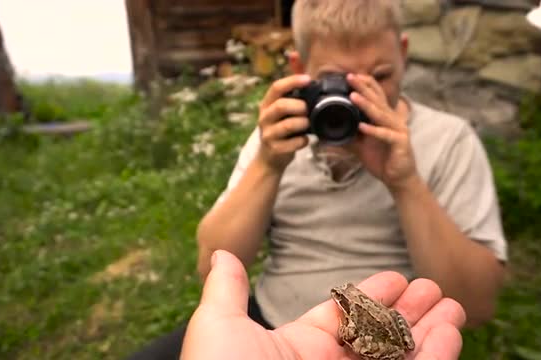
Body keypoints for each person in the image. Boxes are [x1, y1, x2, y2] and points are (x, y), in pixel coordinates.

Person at [128, 0, 507, 358]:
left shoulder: (448, 139)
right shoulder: (280, 135)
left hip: (391, 326)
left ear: (403, 54)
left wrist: (405, 182)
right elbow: (211, 267)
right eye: (337, 82)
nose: (358, 99)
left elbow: (475, 304)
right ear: (299, 70)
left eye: (380, 77)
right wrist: (268, 164)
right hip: (269, 326)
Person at [179, 249, 466, 360]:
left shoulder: (350, 315)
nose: (337, 297)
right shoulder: (363, 301)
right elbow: (389, 315)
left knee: (361, 341)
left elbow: (346, 338)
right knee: (394, 315)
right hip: (392, 327)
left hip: (379, 336)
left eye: (342, 297)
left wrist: (347, 327)